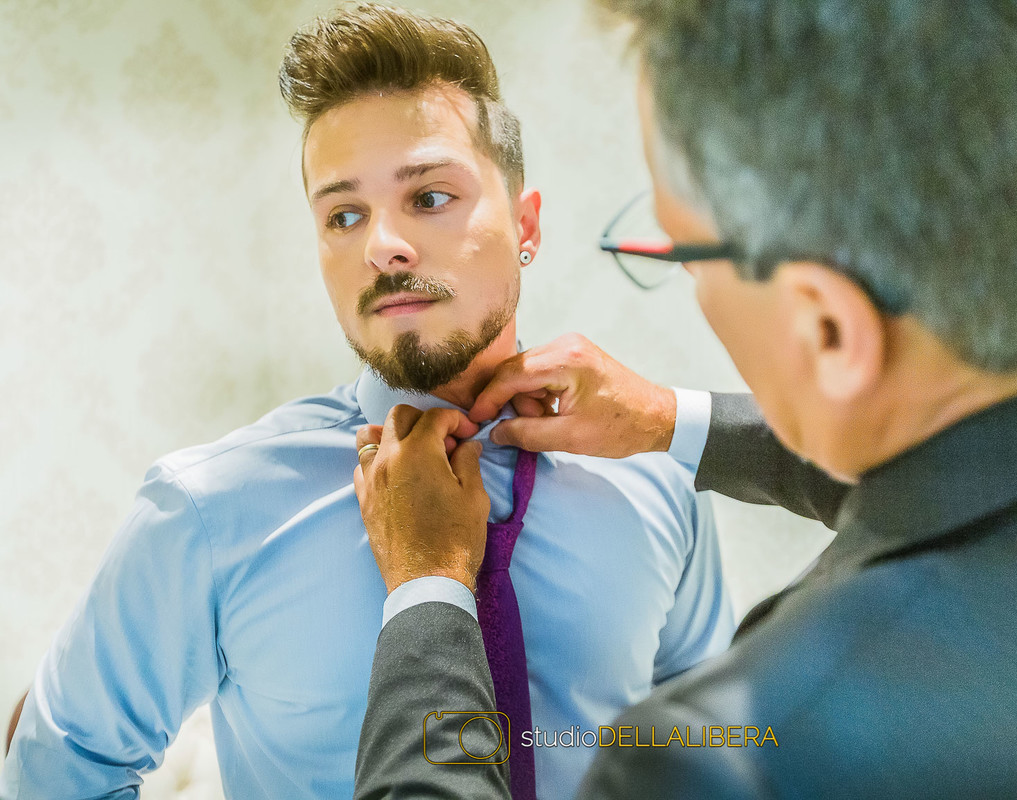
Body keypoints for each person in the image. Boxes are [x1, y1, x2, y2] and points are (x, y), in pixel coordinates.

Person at [351, 0, 1017, 798]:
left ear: (829, 328)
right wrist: (675, 422)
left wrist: (429, 591)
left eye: (682, 246)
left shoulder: (733, 760)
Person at [0, 6, 738, 799]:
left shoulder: (654, 476)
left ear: (526, 225)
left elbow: (710, 746)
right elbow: (56, 775)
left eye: (428, 197)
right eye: (343, 215)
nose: (382, 243)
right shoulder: (208, 511)